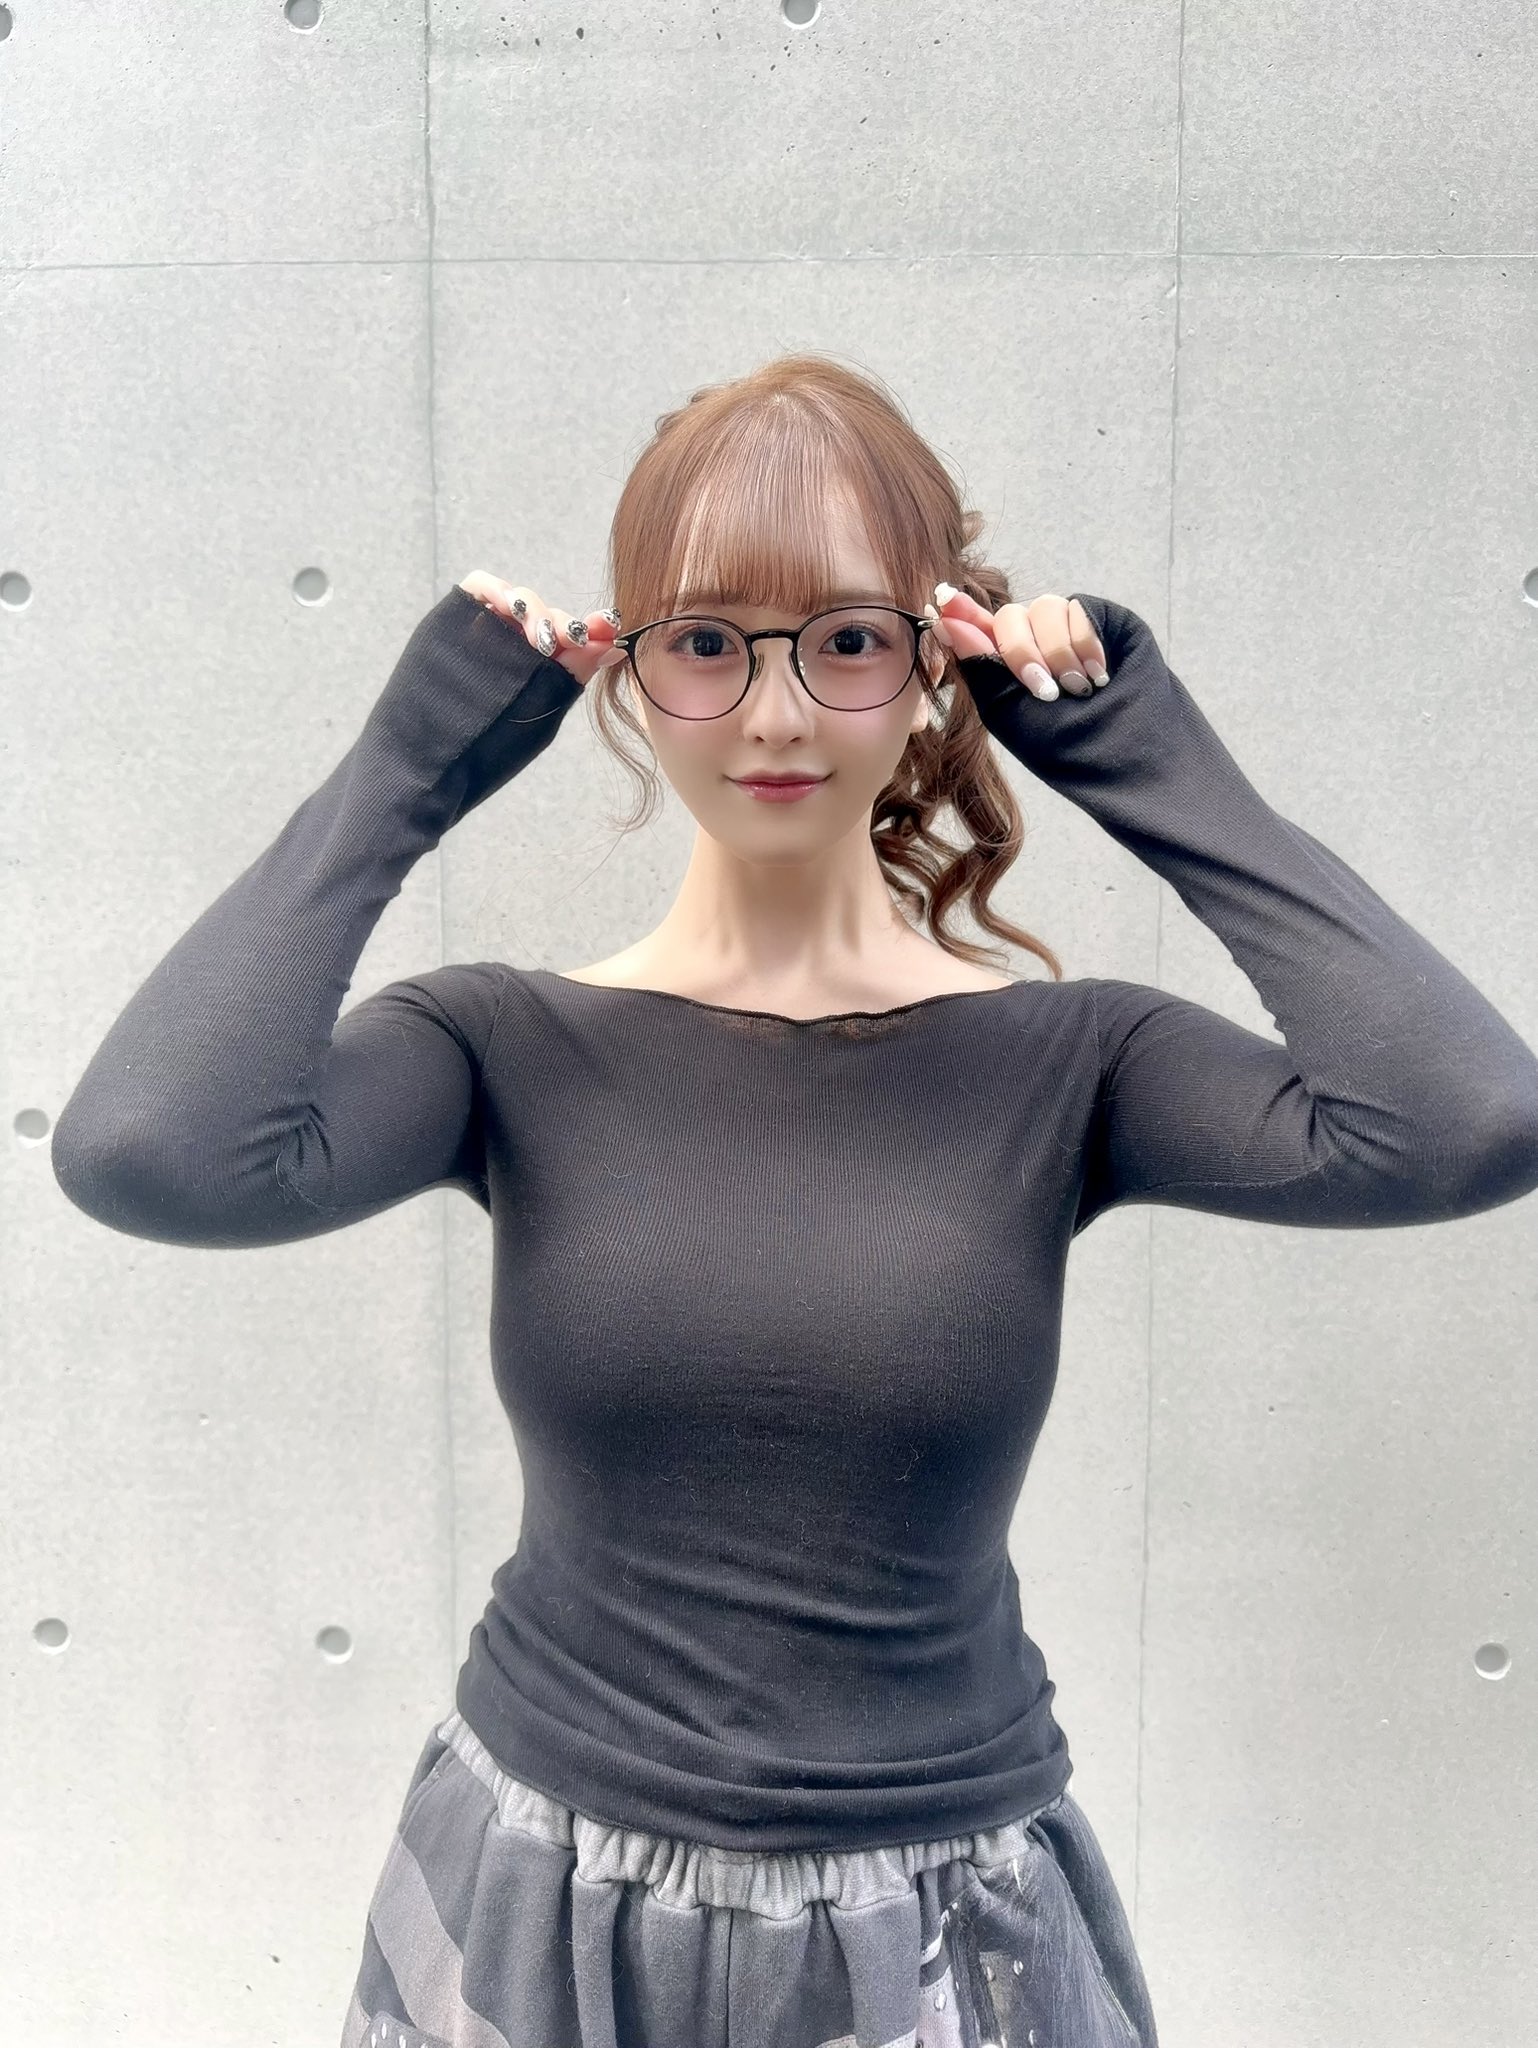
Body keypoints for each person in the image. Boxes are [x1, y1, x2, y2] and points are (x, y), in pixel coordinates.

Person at [50, 355, 1538, 2048]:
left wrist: (1143, 758)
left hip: (943, 1923)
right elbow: (150, 1152)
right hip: (539, 1897)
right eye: (705, 642)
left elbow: (1463, 1123)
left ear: (935, 660)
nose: (774, 717)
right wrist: (406, 769)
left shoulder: (1072, 1062)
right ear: (625, 671)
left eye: (843, 641)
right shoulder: (497, 1045)